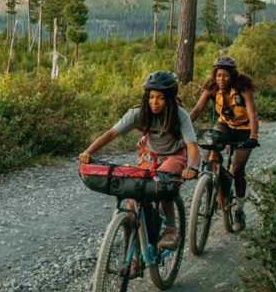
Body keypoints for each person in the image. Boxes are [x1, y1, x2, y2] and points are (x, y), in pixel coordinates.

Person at [79, 71, 200, 250]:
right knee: (133, 200)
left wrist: (192, 166)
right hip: (149, 157)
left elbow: (192, 146)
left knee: (163, 182)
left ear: (169, 99)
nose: (154, 102)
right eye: (151, 97)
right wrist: (88, 151)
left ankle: (171, 229)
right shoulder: (138, 113)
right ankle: (134, 255)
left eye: (160, 98)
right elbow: (112, 133)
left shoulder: (180, 115)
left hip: (174, 156)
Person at [188, 56, 259, 230]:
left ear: (232, 75)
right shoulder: (212, 88)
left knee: (238, 169)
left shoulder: (243, 89)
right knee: (211, 148)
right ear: (214, 75)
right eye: (218, 75)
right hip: (225, 125)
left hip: (244, 129)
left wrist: (254, 136)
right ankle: (217, 182)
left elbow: (252, 113)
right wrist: (184, 127)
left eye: (225, 75)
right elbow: (197, 109)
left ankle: (240, 210)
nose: (221, 79)